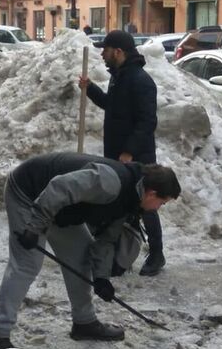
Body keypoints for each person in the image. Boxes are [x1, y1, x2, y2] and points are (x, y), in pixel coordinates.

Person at [0, 153, 180, 349]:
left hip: (60, 206)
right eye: (162, 203)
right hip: (29, 192)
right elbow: (59, 187)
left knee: (81, 257)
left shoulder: (131, 200)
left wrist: (101, 278)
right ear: (152, 193)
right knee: (27, 264)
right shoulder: (110, 182)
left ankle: (84, 323)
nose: (158, 208)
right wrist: (34, 227)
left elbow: (106, 240)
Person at [78, 30, 165, 276]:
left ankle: (157, 255)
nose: (102, 55)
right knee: (124, 203)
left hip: (138, 158)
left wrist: (129, 151)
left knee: (146, 204)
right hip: (118, 154)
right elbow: (111, 105)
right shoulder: (120, 77)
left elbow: (147, 122)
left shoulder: (140, 80)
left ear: (118, 51)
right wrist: (90, 89)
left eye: (105, 50)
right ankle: (123, 251)